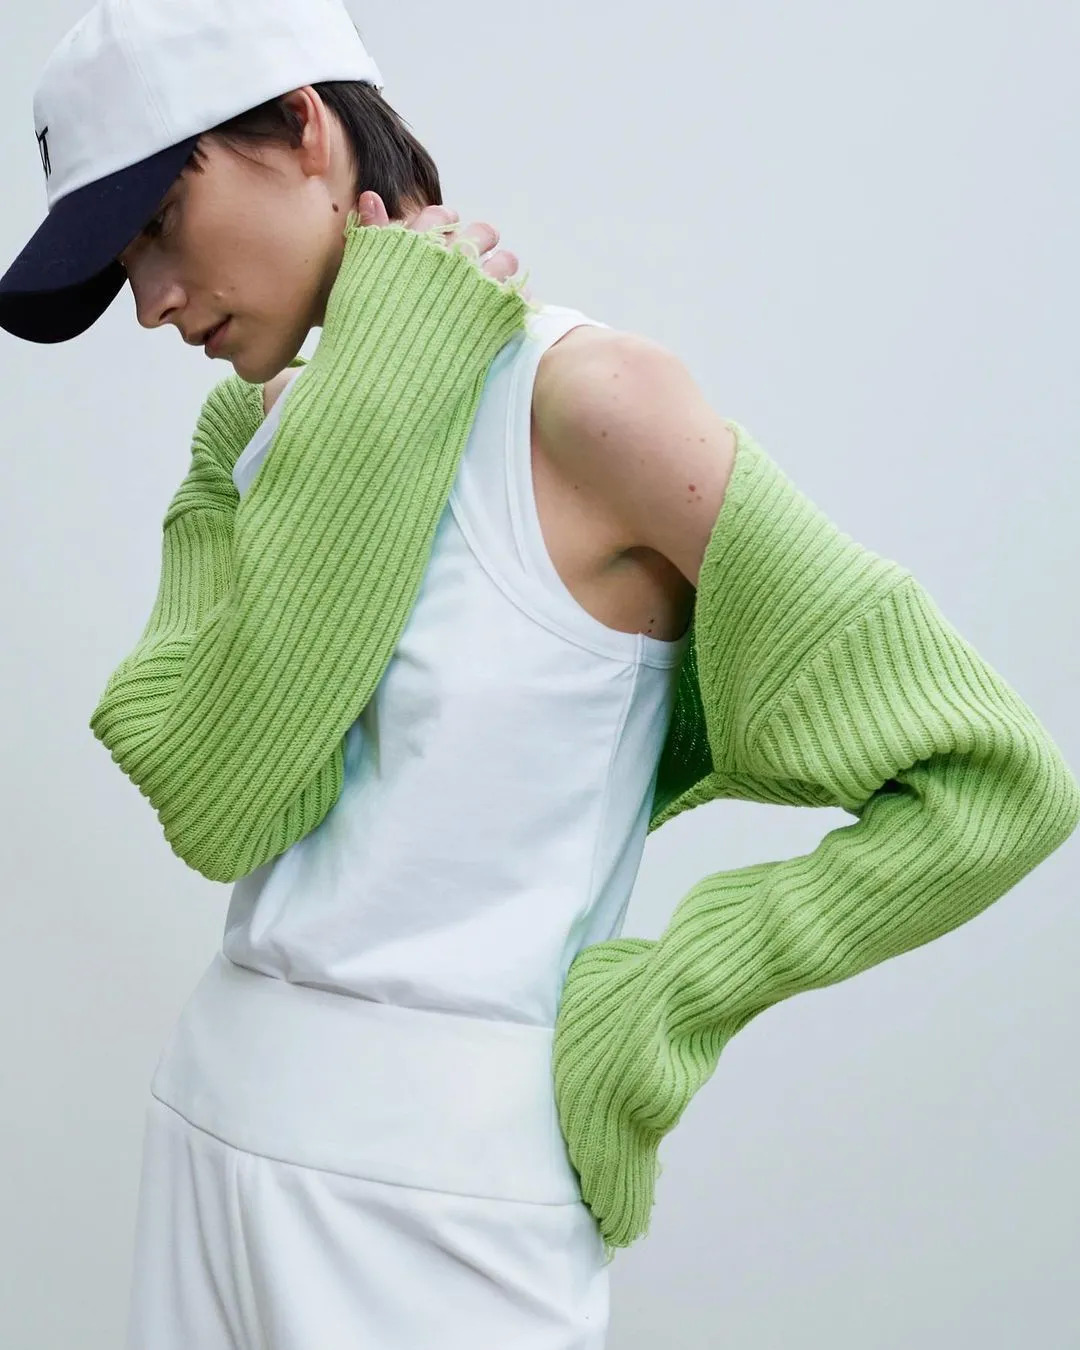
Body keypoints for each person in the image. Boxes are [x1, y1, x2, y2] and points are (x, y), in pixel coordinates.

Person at [4, 3, 1079, 1348]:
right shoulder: (257, 431)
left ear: (302, 129)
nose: (151, 301)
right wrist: (383, 362)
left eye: (161, 220)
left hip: (438, 1202)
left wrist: (675, 995)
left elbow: (995, 780)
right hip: (209, 1131)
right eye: (123, 264)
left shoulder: (589, 403)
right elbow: (221, 798)